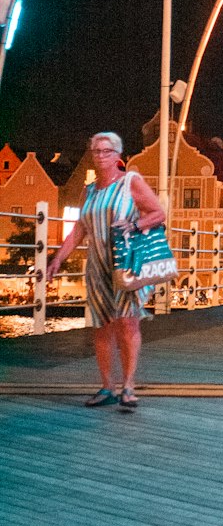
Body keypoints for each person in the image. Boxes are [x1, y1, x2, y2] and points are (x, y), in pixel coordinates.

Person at [45, 132, 167, 412]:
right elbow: (79, 229)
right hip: (97, 266)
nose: (101, 156)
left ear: (118, 155)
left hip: (126, 263)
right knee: (101, 326)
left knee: (128, 323)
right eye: (96, 151)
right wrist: (58, 258)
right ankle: (106, 386)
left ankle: (128, 386)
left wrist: (135, 226)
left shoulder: (130, 182)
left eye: (106, 151)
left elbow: (158, 213)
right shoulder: (89, 190)